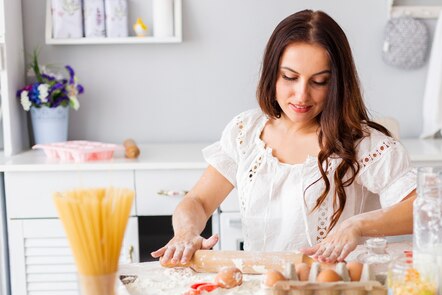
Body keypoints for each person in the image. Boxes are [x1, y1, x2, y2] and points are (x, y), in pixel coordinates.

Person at [151, 9, 416, 266]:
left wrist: (357, 225)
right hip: (263, 289)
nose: (302, 95)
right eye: (290, 77)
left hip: (334, 293)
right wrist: (185, 233)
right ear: (272, 73)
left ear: (337, 84)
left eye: (319, 81)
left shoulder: (364, 144)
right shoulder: (247, 131)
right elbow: (198, 201)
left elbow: (421, 208)